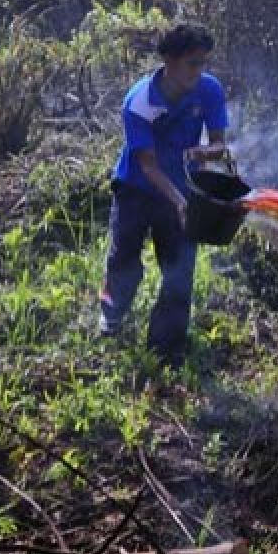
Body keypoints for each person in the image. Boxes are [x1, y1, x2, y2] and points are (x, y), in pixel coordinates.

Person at [99, 22, 232, 369]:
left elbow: (219, 144)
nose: (198, 71)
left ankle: (166, 346)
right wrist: (181, 202)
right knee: (124, 256)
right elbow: (147, 165)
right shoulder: (139, 102)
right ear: (169, 61)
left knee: (179, 267)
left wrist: (206, 152)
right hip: (136, 189)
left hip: (183, 188)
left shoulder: (209, 90)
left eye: (203, 63)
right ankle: (111, 317)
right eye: (192, 63)